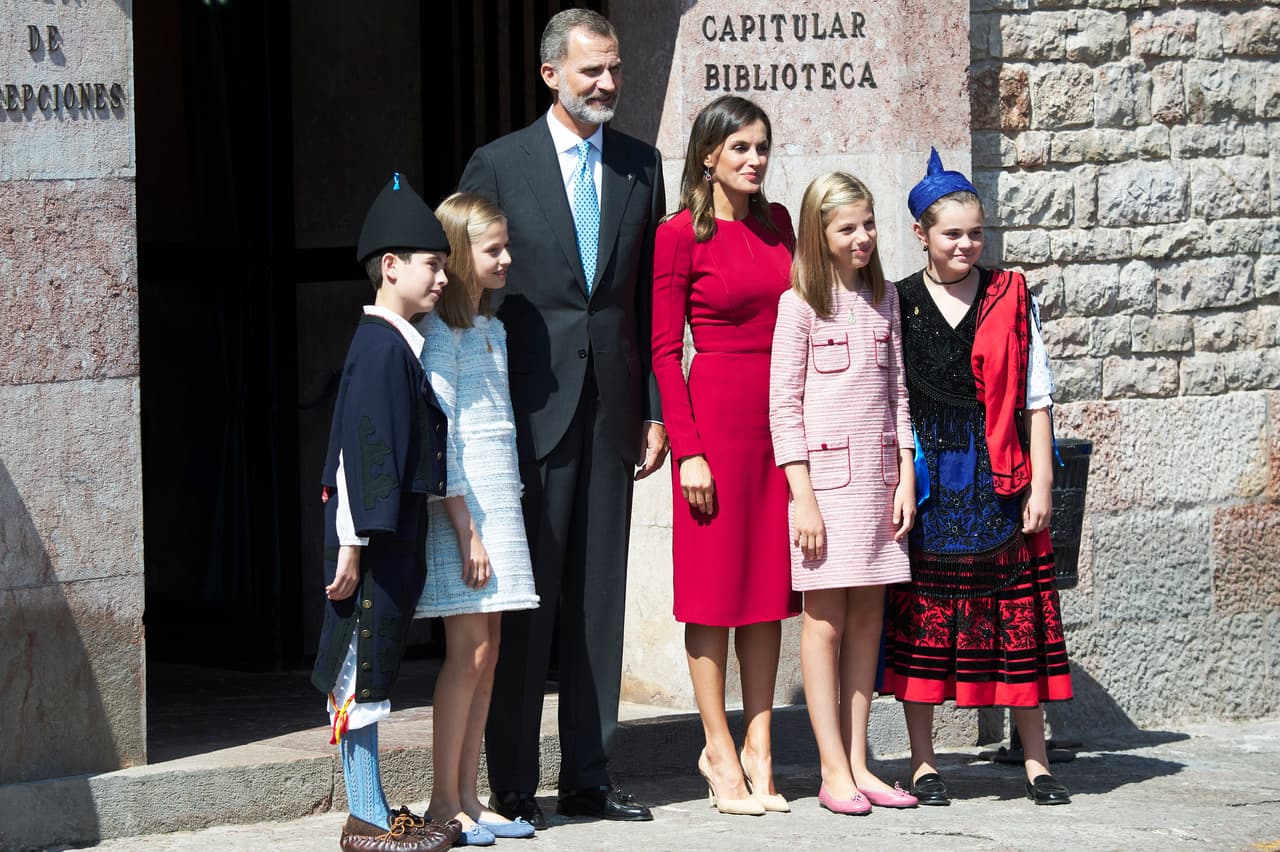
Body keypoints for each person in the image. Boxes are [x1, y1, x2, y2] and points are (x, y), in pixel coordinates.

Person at [458, 9, 667, 827]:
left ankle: (589, 775)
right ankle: (510, 781)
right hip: (526, 414)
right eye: (591, 72)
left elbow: (645, 299)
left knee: (595, 604)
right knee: (527, 603)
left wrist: (651, 409)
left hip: (612, 412)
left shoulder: (640, 167)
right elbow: (468, 292)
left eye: (614, 69)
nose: (608, 84)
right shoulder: (500, 164)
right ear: (551, 74)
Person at [881, 149, 1073, 806]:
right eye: (952, 233)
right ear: (922, 235)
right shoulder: (897, 302)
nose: (966, 244)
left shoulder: (1012, 295)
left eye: (975, 232)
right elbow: (891, 399)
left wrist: (1042, 483)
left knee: (1017, 619)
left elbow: (1038, 397)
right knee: (923, 625)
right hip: (933, 484)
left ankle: (1037, 762)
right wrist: (903, 478)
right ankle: (925, 763)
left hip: (1003, 481)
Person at [650, 95, 801, 817]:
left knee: (769, 591)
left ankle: (760, 746)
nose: (753, 159)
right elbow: (660, 348)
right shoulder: (679, 234)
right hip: (714, 418)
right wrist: (689, 453)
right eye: (739, 147)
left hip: (779, 420)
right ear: (708, 154)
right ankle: (716, 746)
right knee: (714, 594)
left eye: (762, 147)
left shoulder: (779, 226)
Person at [310, 174, 463, 852]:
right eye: (432, 265)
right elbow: (357, 455)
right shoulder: (379, 347)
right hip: (371, 541)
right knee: (358, 671)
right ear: (391, 266)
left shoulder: (396, 344)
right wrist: (352, 545)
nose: (441, 279)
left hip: (385, 538)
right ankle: (365, 816)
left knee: (372, 669)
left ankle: (372, 808)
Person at [769, 172, 920, 815]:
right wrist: (802, 496)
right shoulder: (800, 303)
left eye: (868, 224)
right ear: (819, 233)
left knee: (868, 621)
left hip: (882, 485)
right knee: (824, 621)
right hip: (826, 491)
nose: (862, 238)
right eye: (846, 228)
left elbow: (899, 396)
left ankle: (861, 761)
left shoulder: (885, 298)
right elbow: (784, 406)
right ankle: (831, 768)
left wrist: (907, 471)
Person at [413, 193, 541, 846]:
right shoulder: (440, 336)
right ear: (461, 256)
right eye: (493, 249)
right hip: (465, 516)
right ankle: (442, 801)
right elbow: (442, 436)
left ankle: (471, 794)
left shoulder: (491, 330)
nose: (507, 259)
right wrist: (467, 531)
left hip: (498, 505)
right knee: (468, 653)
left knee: (488, 654)